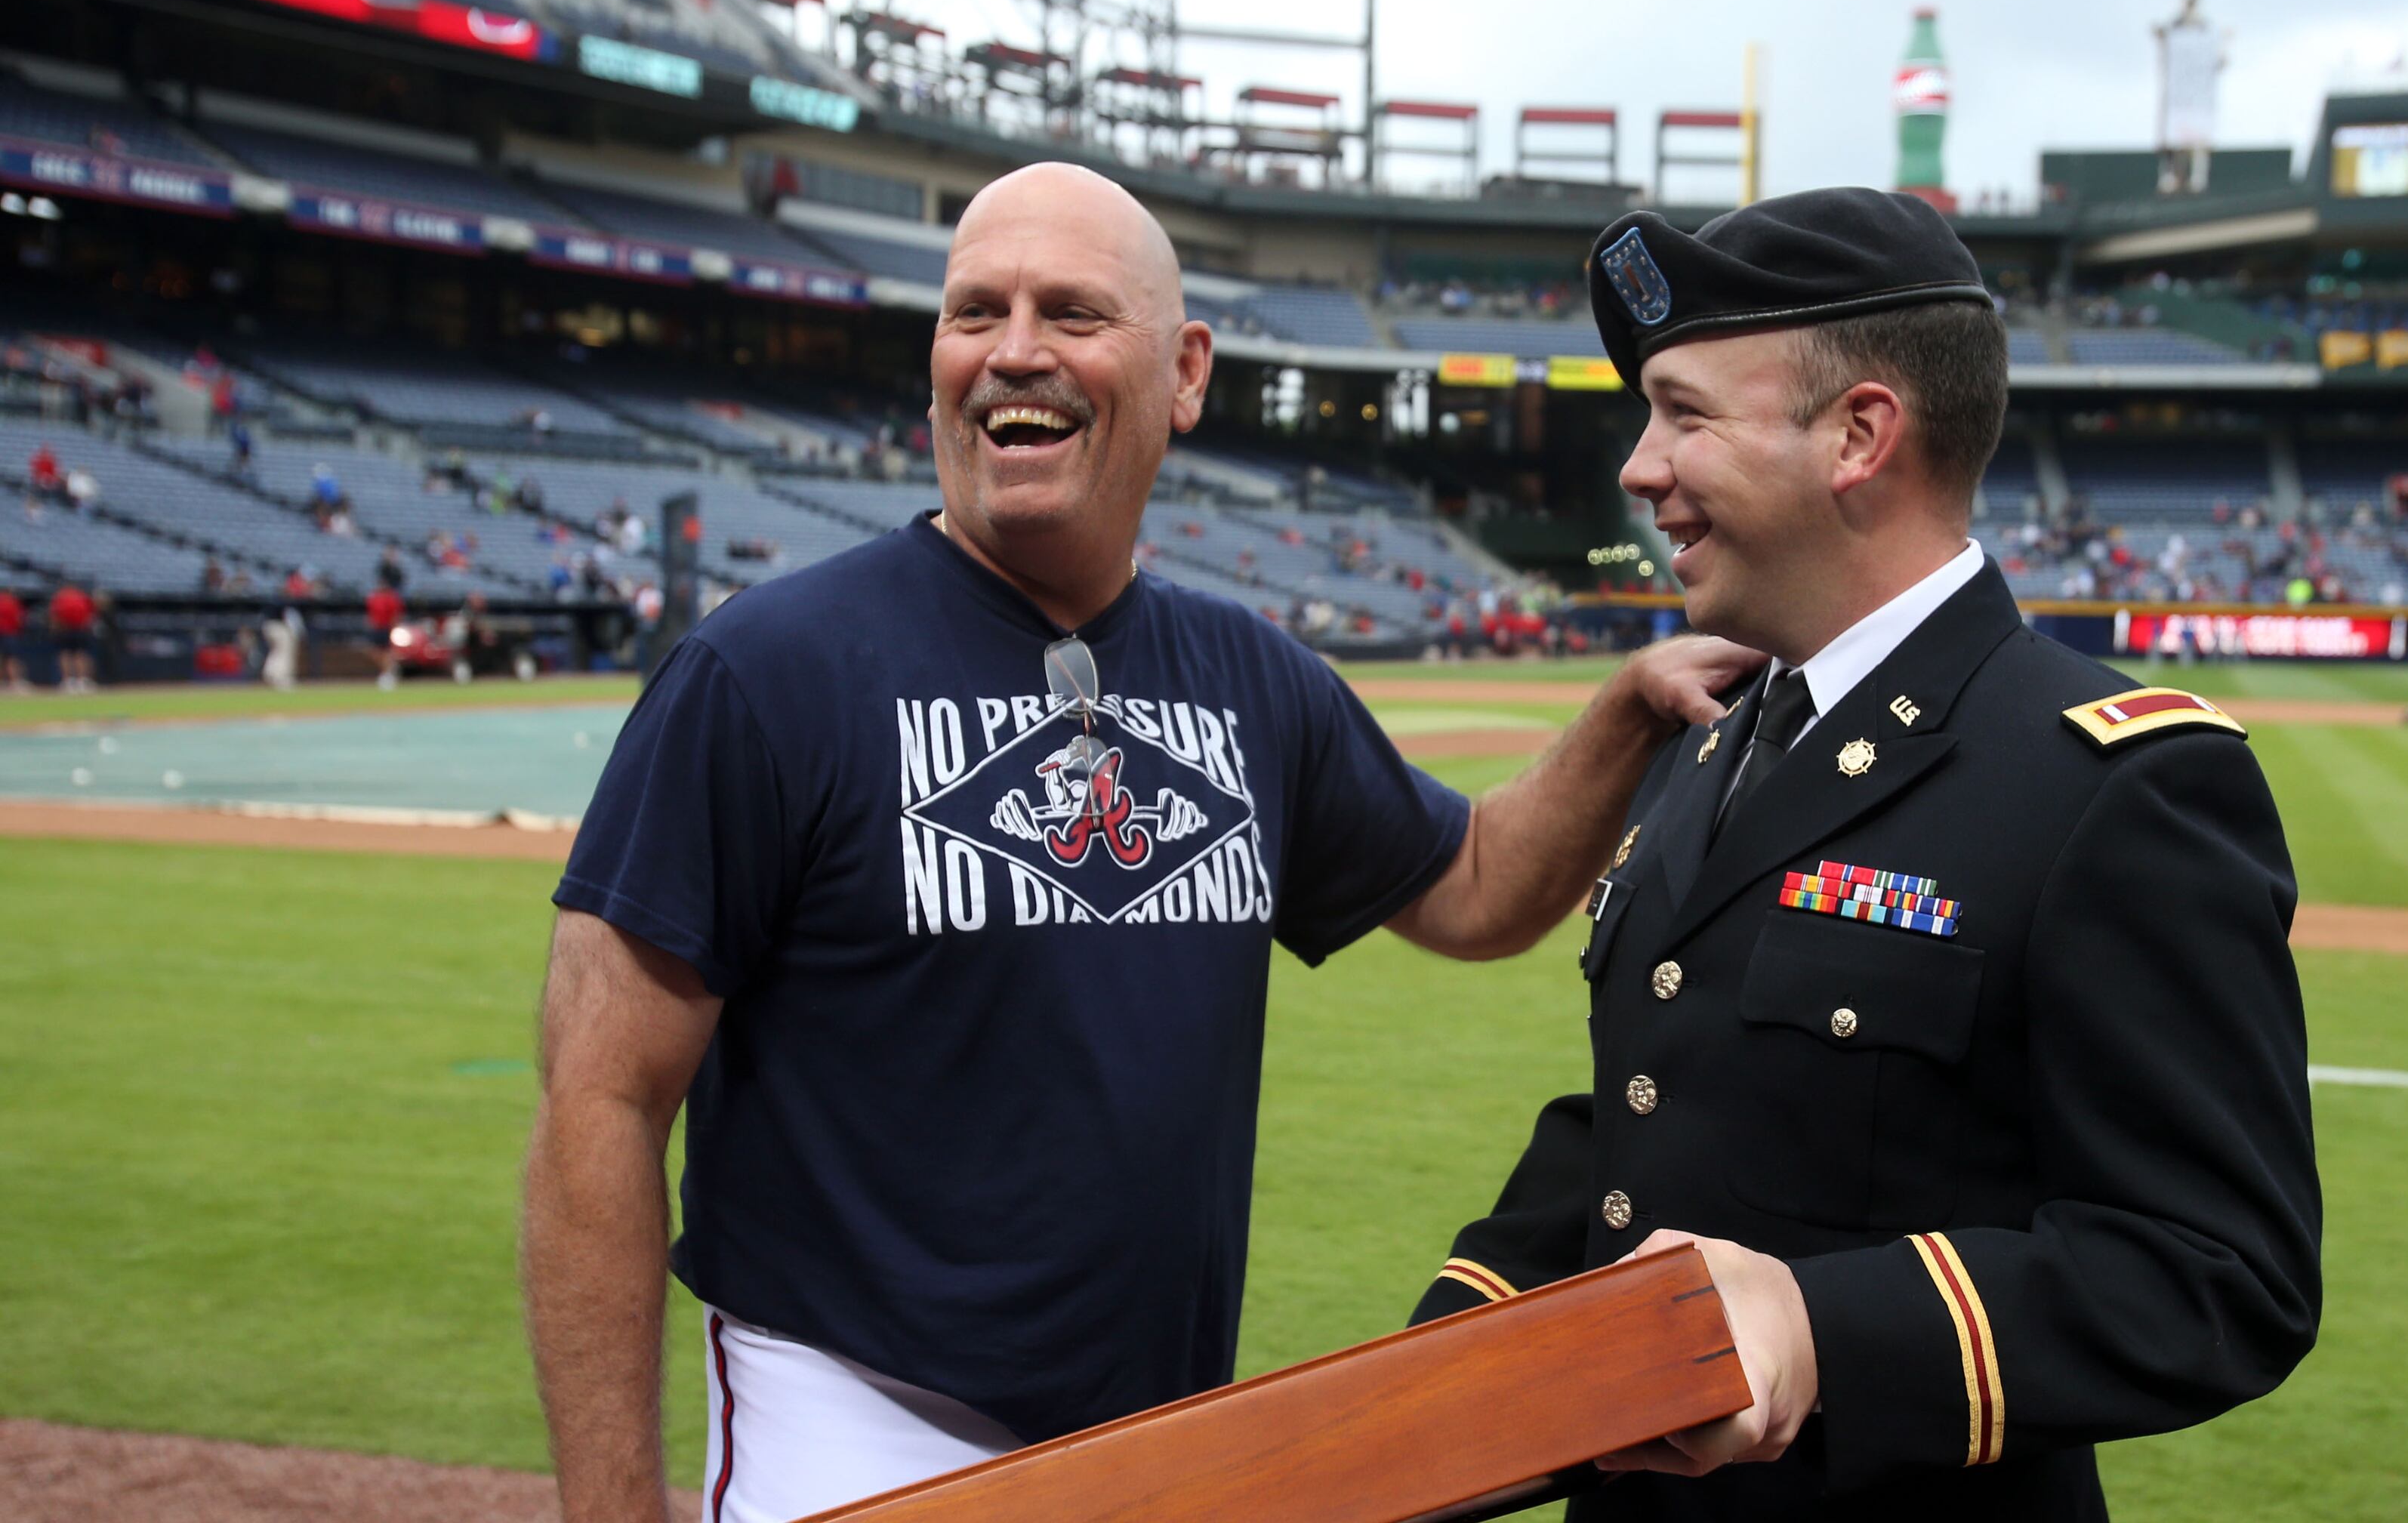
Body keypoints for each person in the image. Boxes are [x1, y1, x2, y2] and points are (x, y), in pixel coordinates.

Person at [520, 162, 1756, 1523]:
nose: (1014, 352)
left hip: (1167, 1437)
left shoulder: (1250, 678)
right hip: (857, 1418)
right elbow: (600, 1100)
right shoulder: (765, 674)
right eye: (973, 311)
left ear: (1185, 373)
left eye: (1072, 312)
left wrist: (1628, 710)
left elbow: (1470, 888)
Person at [1407, 189, 2320, 1521]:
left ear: (1859, 434)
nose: (1638, 466)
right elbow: (1662, 1113)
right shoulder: (1712, 739)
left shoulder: (2118, 784)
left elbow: (2213, 1269)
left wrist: (1818, 1330)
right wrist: (1446, 1354)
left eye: (1686, 412)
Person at [48, 581, 95, 692]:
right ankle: (83, 680)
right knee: (81, 654)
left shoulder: (60, 597)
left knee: (65, 655)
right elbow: (91, 615)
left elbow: (54, 616)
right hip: (81, 629)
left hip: (64, 630)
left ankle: (68, 681)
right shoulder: (82, 596)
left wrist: (55, 629)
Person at [0, 585, 27, 693]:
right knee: (11, 659)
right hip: (10, 633)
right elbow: (19, 619)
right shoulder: (13, 602)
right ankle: (14, 682)